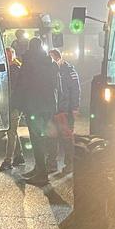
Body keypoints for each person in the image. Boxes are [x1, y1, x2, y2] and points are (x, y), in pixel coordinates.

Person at [13, 37, 61, 186]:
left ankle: (41, 173)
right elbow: (57, 85)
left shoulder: (28, 63)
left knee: (36, 139)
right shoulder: (50, 63)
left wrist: (17, 103)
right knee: (46, 137)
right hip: (48, 106)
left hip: (33, 106)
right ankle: (41, 168)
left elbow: (22, 85)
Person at [49, 48, 80, 176]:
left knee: (67, 139)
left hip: (65, 111)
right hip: (53, 110)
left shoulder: (69, 71)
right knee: (51, 138)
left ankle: (69, 164)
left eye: (52, 58)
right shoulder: (51, 71)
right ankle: (51, 164)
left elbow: (75, 90)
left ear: (58, 57)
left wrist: (74, 108)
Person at [0, 46, 25, 171]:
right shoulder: (9, 69)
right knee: (12, 132)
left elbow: (12, 89)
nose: (7, 57)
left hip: (13, 105)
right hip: (9, 105)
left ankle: (8, 160)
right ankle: (19, 156)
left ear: (13, 56)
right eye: (6, 55)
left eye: (10, 55)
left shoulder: (14, 69)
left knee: (11, 132)